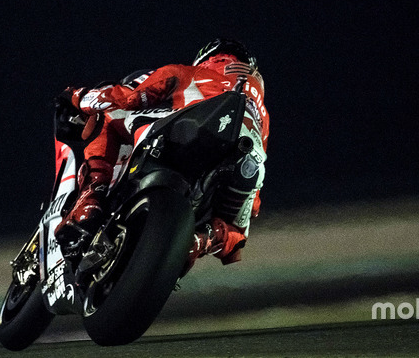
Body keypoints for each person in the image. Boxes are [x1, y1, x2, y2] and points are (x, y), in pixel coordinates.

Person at [53, 38, 269, 266]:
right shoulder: (263, 115)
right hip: (244, 166)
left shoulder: (187, 73)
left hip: (184, 137)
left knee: (108, 115)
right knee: (235, 231)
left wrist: (76, 97)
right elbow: (252, 206)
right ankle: (198, 242)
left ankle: (91, 198)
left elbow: (129, 97)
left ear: (208, 59)